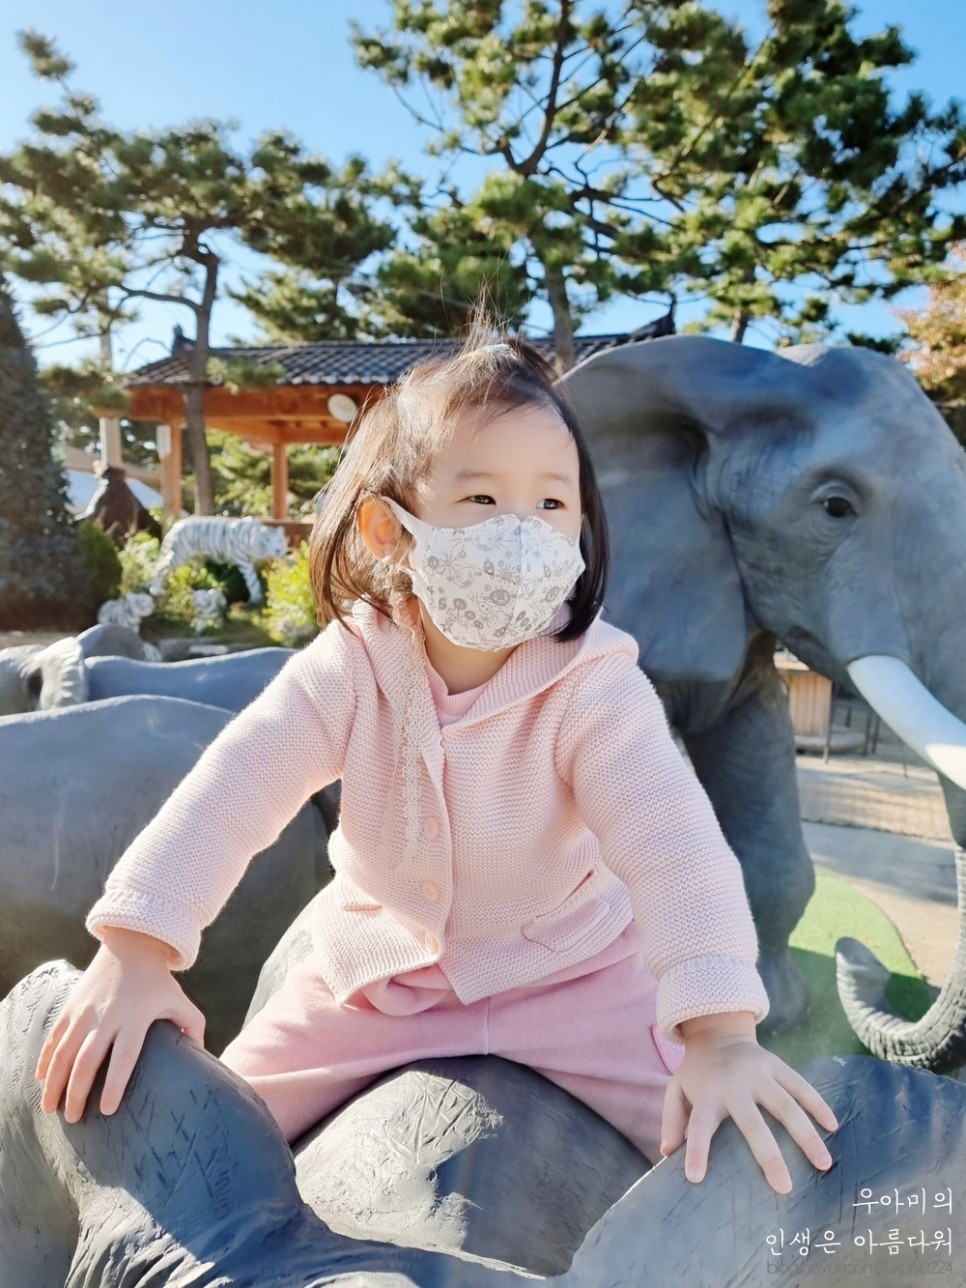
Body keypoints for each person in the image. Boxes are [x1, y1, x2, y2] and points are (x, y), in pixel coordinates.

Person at [37, 326, 837, 1194]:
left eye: (552, 504)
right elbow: (235, 787)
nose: (523, 532)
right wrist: (137, 949)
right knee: (203, 1151)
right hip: (377, 980)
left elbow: (673, 845)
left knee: (730, 1162)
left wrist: (719, 1035)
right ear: (391, 530)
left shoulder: (594, 683)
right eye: (484, 501)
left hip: (576, 980)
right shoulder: (351, 663)